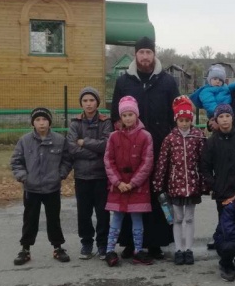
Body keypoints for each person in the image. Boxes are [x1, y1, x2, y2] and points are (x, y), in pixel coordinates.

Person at [110, 36, 180, 258]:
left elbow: (176, 115)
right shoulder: (124, 82)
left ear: (154, 54)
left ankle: (156, 242)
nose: (145, 57)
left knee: (157, 193)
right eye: (141, 52)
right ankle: (130, 243)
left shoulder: (167, 82)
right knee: (131, 193)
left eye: (149, 52)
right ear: (136, 55)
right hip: (130, 151)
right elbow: (116, 116)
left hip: (160, 146)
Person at [10, 107, 73, 266]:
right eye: (38, 120)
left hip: (52, 188)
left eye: (44, 119)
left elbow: (67, 160)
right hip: (31, 189)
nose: (41, 123)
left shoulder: (59, 140)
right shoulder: (25, 141)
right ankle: (25, 249)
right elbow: (16, 162)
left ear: (49, 122)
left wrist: (60, 175)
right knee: (30, 219)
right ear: (33, 123)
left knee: (54, 219)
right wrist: (24, 178)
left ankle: (58, 247)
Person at [152, 96, 207, 266]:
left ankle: (188, 250)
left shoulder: (198, 136)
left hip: (193, 184)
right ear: (176, 120)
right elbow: (163, 162)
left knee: (189, 217)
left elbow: (203, 161)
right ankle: (178, 249)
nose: (184, 123)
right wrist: (158, 183)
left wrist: (204, 182)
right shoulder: (170, 138)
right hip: (175, 185)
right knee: (177, 218)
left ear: (191, 119)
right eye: (181, 120)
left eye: (187, 120)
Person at [103, 96, 155, 267]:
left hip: (137, 186)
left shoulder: (145, 136)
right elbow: (108, 160)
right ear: (120, 117)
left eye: (130, 114)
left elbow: (147, 162)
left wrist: (133, 183)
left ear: (136, 115)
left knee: (137, 218)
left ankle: (138, 250)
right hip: (118, 186)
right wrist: (118, 182)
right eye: (124, 115)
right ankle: (110, 250)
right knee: (116, 218)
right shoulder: (113, 137)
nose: (127, 118)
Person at [200, 103, 235, 249]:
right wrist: (214, 184)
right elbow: (204, 167)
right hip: (222, 190)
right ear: (216, 120)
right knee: (224, 217)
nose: (225, 120)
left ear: (232, 118)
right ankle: (223, 244)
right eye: (221, 116)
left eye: (227, 116)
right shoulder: (212, 142)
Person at [67, 86, 112, 260]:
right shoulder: (75, 123)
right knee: (83, 212)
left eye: (91, 100)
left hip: (101, 175)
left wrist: (83, 142)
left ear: (97, 102)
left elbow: (107, 145)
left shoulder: (105, 122)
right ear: (81, 103)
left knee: (103, 212)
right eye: (85, 101)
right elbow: (71, 148)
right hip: (82, 176)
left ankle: (102, 243)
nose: (88, 104)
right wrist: (94, 149)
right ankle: (86, 242)